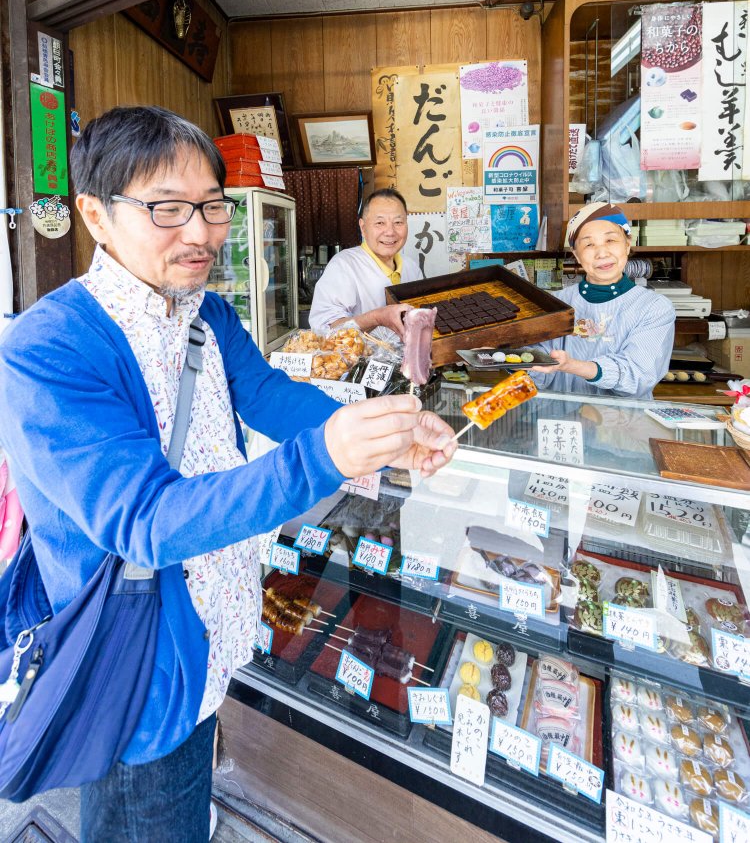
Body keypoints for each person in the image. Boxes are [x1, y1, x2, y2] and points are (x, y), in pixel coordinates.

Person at [0, 107, 457, 843]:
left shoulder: (206, 310)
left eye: (211, 205)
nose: (202, 231)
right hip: (135, 651)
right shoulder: (48, 347)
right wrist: (323, 457)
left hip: (211, 625)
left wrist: (387, 435)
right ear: (95, 214)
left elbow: (268, 392)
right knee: (149, 806)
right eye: (166, 207)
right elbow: (146, 520)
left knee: (152, 803)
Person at [531, 202, 675, 398]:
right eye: (589, 244)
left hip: (622, 424)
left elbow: (639, 377)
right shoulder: (553, 303)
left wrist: (574, 366)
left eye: (610, 241)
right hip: (561, 421)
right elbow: (538, 375)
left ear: (627, 244)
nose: (602, 253)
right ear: (576, 255)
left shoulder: (654, 308)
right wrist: (506, 354)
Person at [309, 188, 420, 340]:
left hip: (407, 361)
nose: (390, 232)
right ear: (363, 227)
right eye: (380, 223)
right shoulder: (343, 265)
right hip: (361, 363)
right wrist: (377, 317)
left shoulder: (412, 267)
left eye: (398, 222)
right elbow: (324, 330)